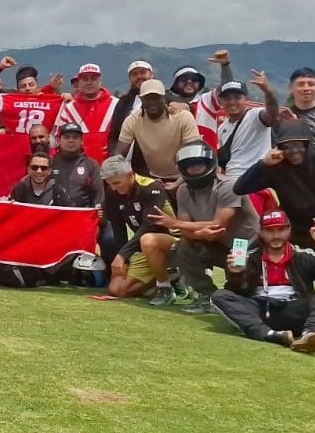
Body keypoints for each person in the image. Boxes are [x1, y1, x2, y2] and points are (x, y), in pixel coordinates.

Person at [234, 120, 315, 326]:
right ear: (278, 146)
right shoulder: (274, 166)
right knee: (262, 252)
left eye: (299, 144)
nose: (294, 151)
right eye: (287, 146)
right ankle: (264, 296)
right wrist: (262, 164)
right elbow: (240, 188)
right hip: (295, 227)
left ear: (308, 143)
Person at [211, 211, 315, 353]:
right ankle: (272, 336)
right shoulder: (249, 257)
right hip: (260, 311)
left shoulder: (303, 255)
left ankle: (310, 335)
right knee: (219, 296)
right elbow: (236, 293)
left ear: (289, 230)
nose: (276, 236)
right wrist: (237, 273)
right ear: (261, 232)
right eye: (270, 230)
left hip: (295, 309)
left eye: (281, 229)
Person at [148, 141, 259, 314]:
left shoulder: (228, 186)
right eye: (189, 166)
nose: (194, 169)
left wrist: (175, 223)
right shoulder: (183, 190)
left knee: (240, 293)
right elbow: (187, 231)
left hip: (244, 246)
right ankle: (206, 295)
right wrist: (200, 234)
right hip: (214, 243)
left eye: (198, 164)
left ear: (209, 163)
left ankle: (238, 291)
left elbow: (218, 224)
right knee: (183, 247)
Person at [99, 155, 178, 304]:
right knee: (117, 289)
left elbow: (149, 226)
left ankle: (165, 287)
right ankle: (169, 277)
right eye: (109, 184)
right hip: (143, 247)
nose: (114, 188)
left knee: (147, 240)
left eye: (116, 183)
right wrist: (124, 259)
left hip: (171, 243)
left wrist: (122, 256)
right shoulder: (112, 192)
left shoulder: (152, 187)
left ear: (130, 175)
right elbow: (118, 229)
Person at [114, 78, 202, 186]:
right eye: (147, 98)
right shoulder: (133, 120)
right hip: (154, 177)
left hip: (186, 177)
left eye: (156, 98)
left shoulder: (182, 117)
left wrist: (177, 183)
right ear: (141, 99)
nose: (152, 102)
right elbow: (119, 154)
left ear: (164, 98)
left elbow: (195, 154)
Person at [216, 72, 279, 179]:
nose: (232, 102)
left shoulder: (255, 115)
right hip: (231, 181)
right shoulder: (222, 128)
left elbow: (272, 113)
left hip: (255, 179)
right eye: (227, 98)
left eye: (237, 97)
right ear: (221, 102)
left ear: (247, 99)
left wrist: (267, 91)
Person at [54, 63, 117, 162]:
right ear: (79, 82)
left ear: (100, 80)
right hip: (77, 166)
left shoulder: (116, 104)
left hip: (110, 166)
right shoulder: (69, 108)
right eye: (85, 79)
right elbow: (58, 138)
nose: (89, 82)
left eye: (93, 79)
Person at [50, 123, 103, 208]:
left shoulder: (91, 165)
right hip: (55, 216)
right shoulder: (49, 163)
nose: (71, 140)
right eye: (66, 137)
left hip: (82, 216)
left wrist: (97, 210)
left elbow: (99, 194)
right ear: (59, 140)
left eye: (75, 137)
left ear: (81, 141)